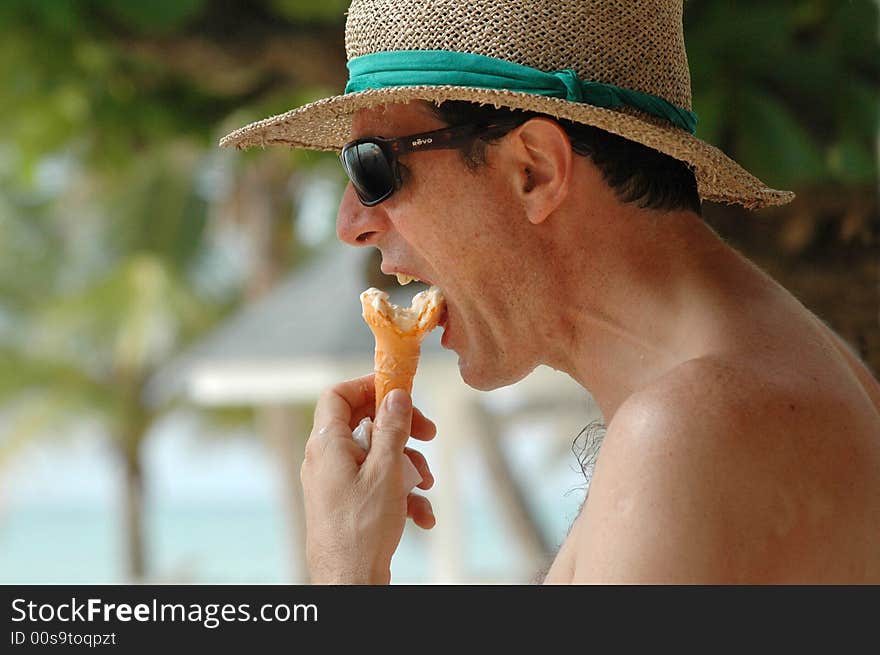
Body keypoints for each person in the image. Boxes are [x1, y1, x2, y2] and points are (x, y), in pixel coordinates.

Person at [221, 0, 880, 584]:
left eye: (372, 167)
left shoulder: (687, 434)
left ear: (532, 170)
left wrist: (345, 575)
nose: (350, 224)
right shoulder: (767, 379)